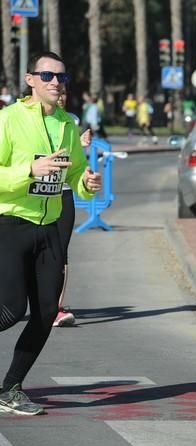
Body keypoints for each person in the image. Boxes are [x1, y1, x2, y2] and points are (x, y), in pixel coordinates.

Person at [0, 51, 102, 415]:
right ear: (30, 80)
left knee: (45, 314)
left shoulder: (67, 125)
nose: (55, 82)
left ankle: (9, 388)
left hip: (50, 229)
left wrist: (87, 182)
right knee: (11, 310)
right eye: (47, 76)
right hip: (11, 223)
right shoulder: (8, 120)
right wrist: (30, 168)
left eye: (61, 76)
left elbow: (75, 174)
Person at [54, 90, 92, 327]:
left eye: (65, 93)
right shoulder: (22, 121)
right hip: (29, 198)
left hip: (63, 193)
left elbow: (75, 163)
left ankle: (55, 307)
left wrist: (87, 178)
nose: (60, 96)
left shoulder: (72, 121)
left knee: (61, 253)